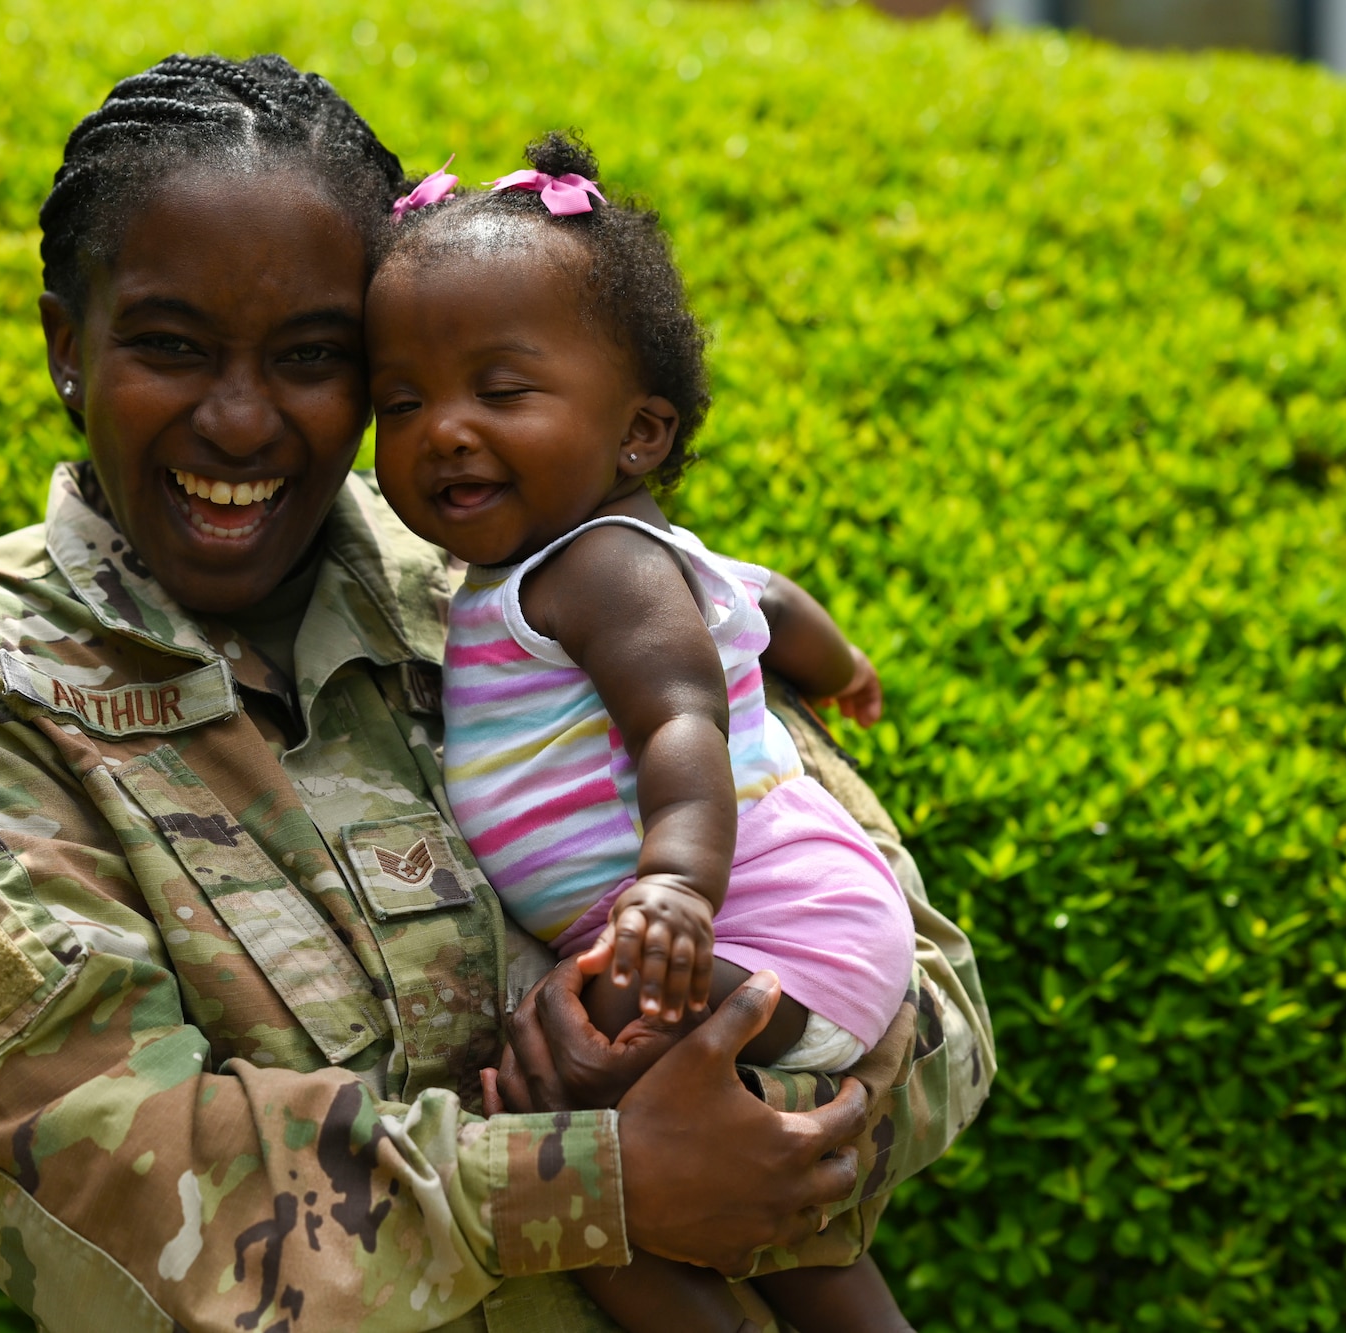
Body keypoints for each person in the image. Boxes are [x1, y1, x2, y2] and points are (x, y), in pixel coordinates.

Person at [0, 53, 996, 1333]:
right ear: (66, 343)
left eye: (313, 358)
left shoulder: (517, 570)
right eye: (169, 347)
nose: (238, 421)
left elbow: (922, 984)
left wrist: (749, 1123)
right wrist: (603, 1178)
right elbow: (108, 1174)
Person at [367, 132, 923, 1331]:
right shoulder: (600, 556)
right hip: (777, 930)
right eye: (399, 401)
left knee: (553, 1126)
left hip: (753, 926)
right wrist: (842, 668)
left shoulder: (595, 568)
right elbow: (768, 601)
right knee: (727, 1161)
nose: (442, 431)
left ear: (639, 434)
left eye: (500, 392)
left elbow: (676, 720)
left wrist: (671, 886)